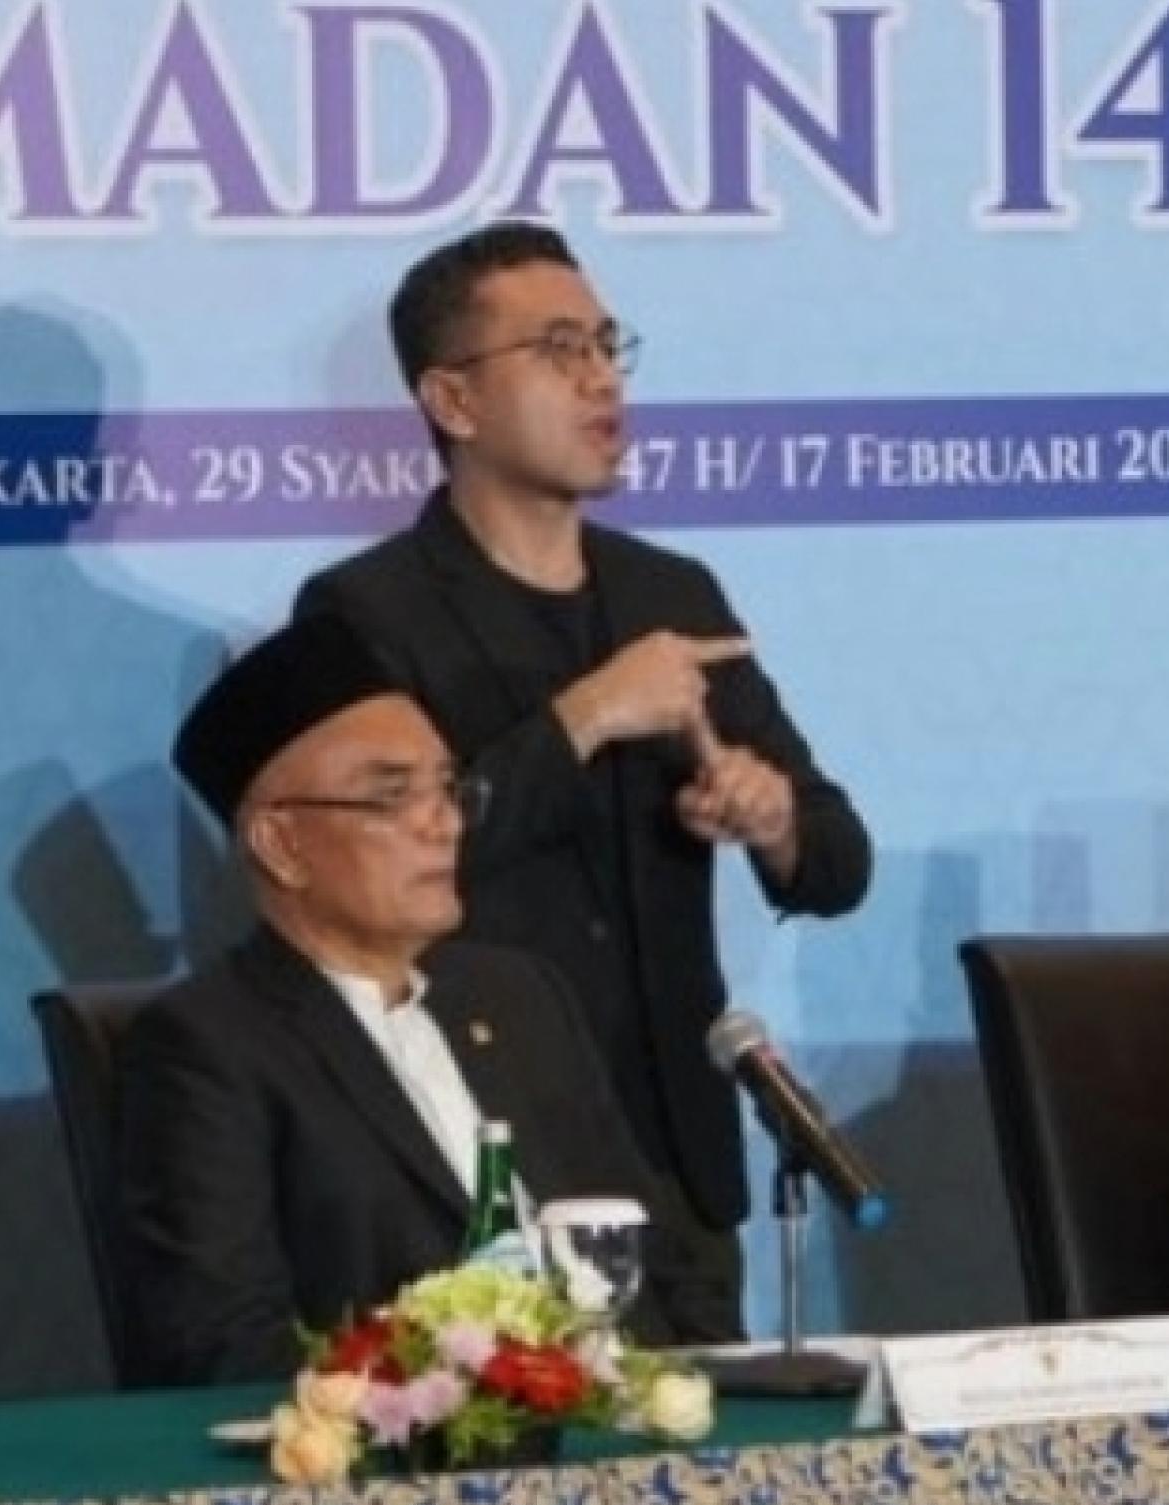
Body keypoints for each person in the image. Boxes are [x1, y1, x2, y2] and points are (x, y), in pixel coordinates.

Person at [296, 222, 869, 1339]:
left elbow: (839, 864)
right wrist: (587, 715)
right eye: (560, 349)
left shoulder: (675, 591)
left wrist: (773, 816)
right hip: (479, 1170)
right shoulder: (366, 614)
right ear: (453, 402)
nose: (603, 377)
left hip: (676, 1168)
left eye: (609, 344)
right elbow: (385, 871)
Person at [116, 615, 708, 1386]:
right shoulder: (208, 1046)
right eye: (391, 797)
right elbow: (223, 1344)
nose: (444, 823)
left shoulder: (519, 994)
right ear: (281, 845)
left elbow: (664, 1261)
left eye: (446, 787)